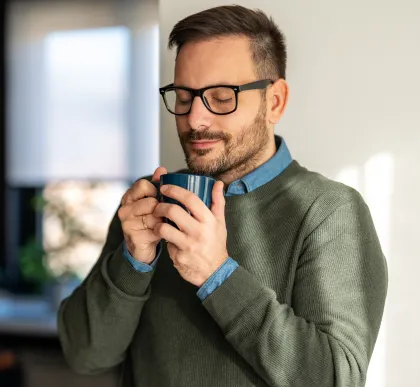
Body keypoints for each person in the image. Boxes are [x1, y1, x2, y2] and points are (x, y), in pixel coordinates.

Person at [57, 5, 388, 387]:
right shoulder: (150, 204)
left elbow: (337, 379)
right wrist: (133, 262)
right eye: (184, 96)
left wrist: (216, 275)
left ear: (275, 101)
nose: (195, 118)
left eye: (220, 95)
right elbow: (84, 355)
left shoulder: (329, 211)